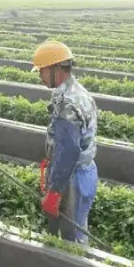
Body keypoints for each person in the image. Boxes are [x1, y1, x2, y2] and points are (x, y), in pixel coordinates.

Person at [31, 40, 98, 244]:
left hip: (72, 178)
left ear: (56, 69)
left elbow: (68, 152)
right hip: (83, 171)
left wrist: (54, 191)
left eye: (42, 71)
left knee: (71, 238)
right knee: (76, 227)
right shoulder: (75, 92)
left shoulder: (68, 103)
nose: (40, 76)